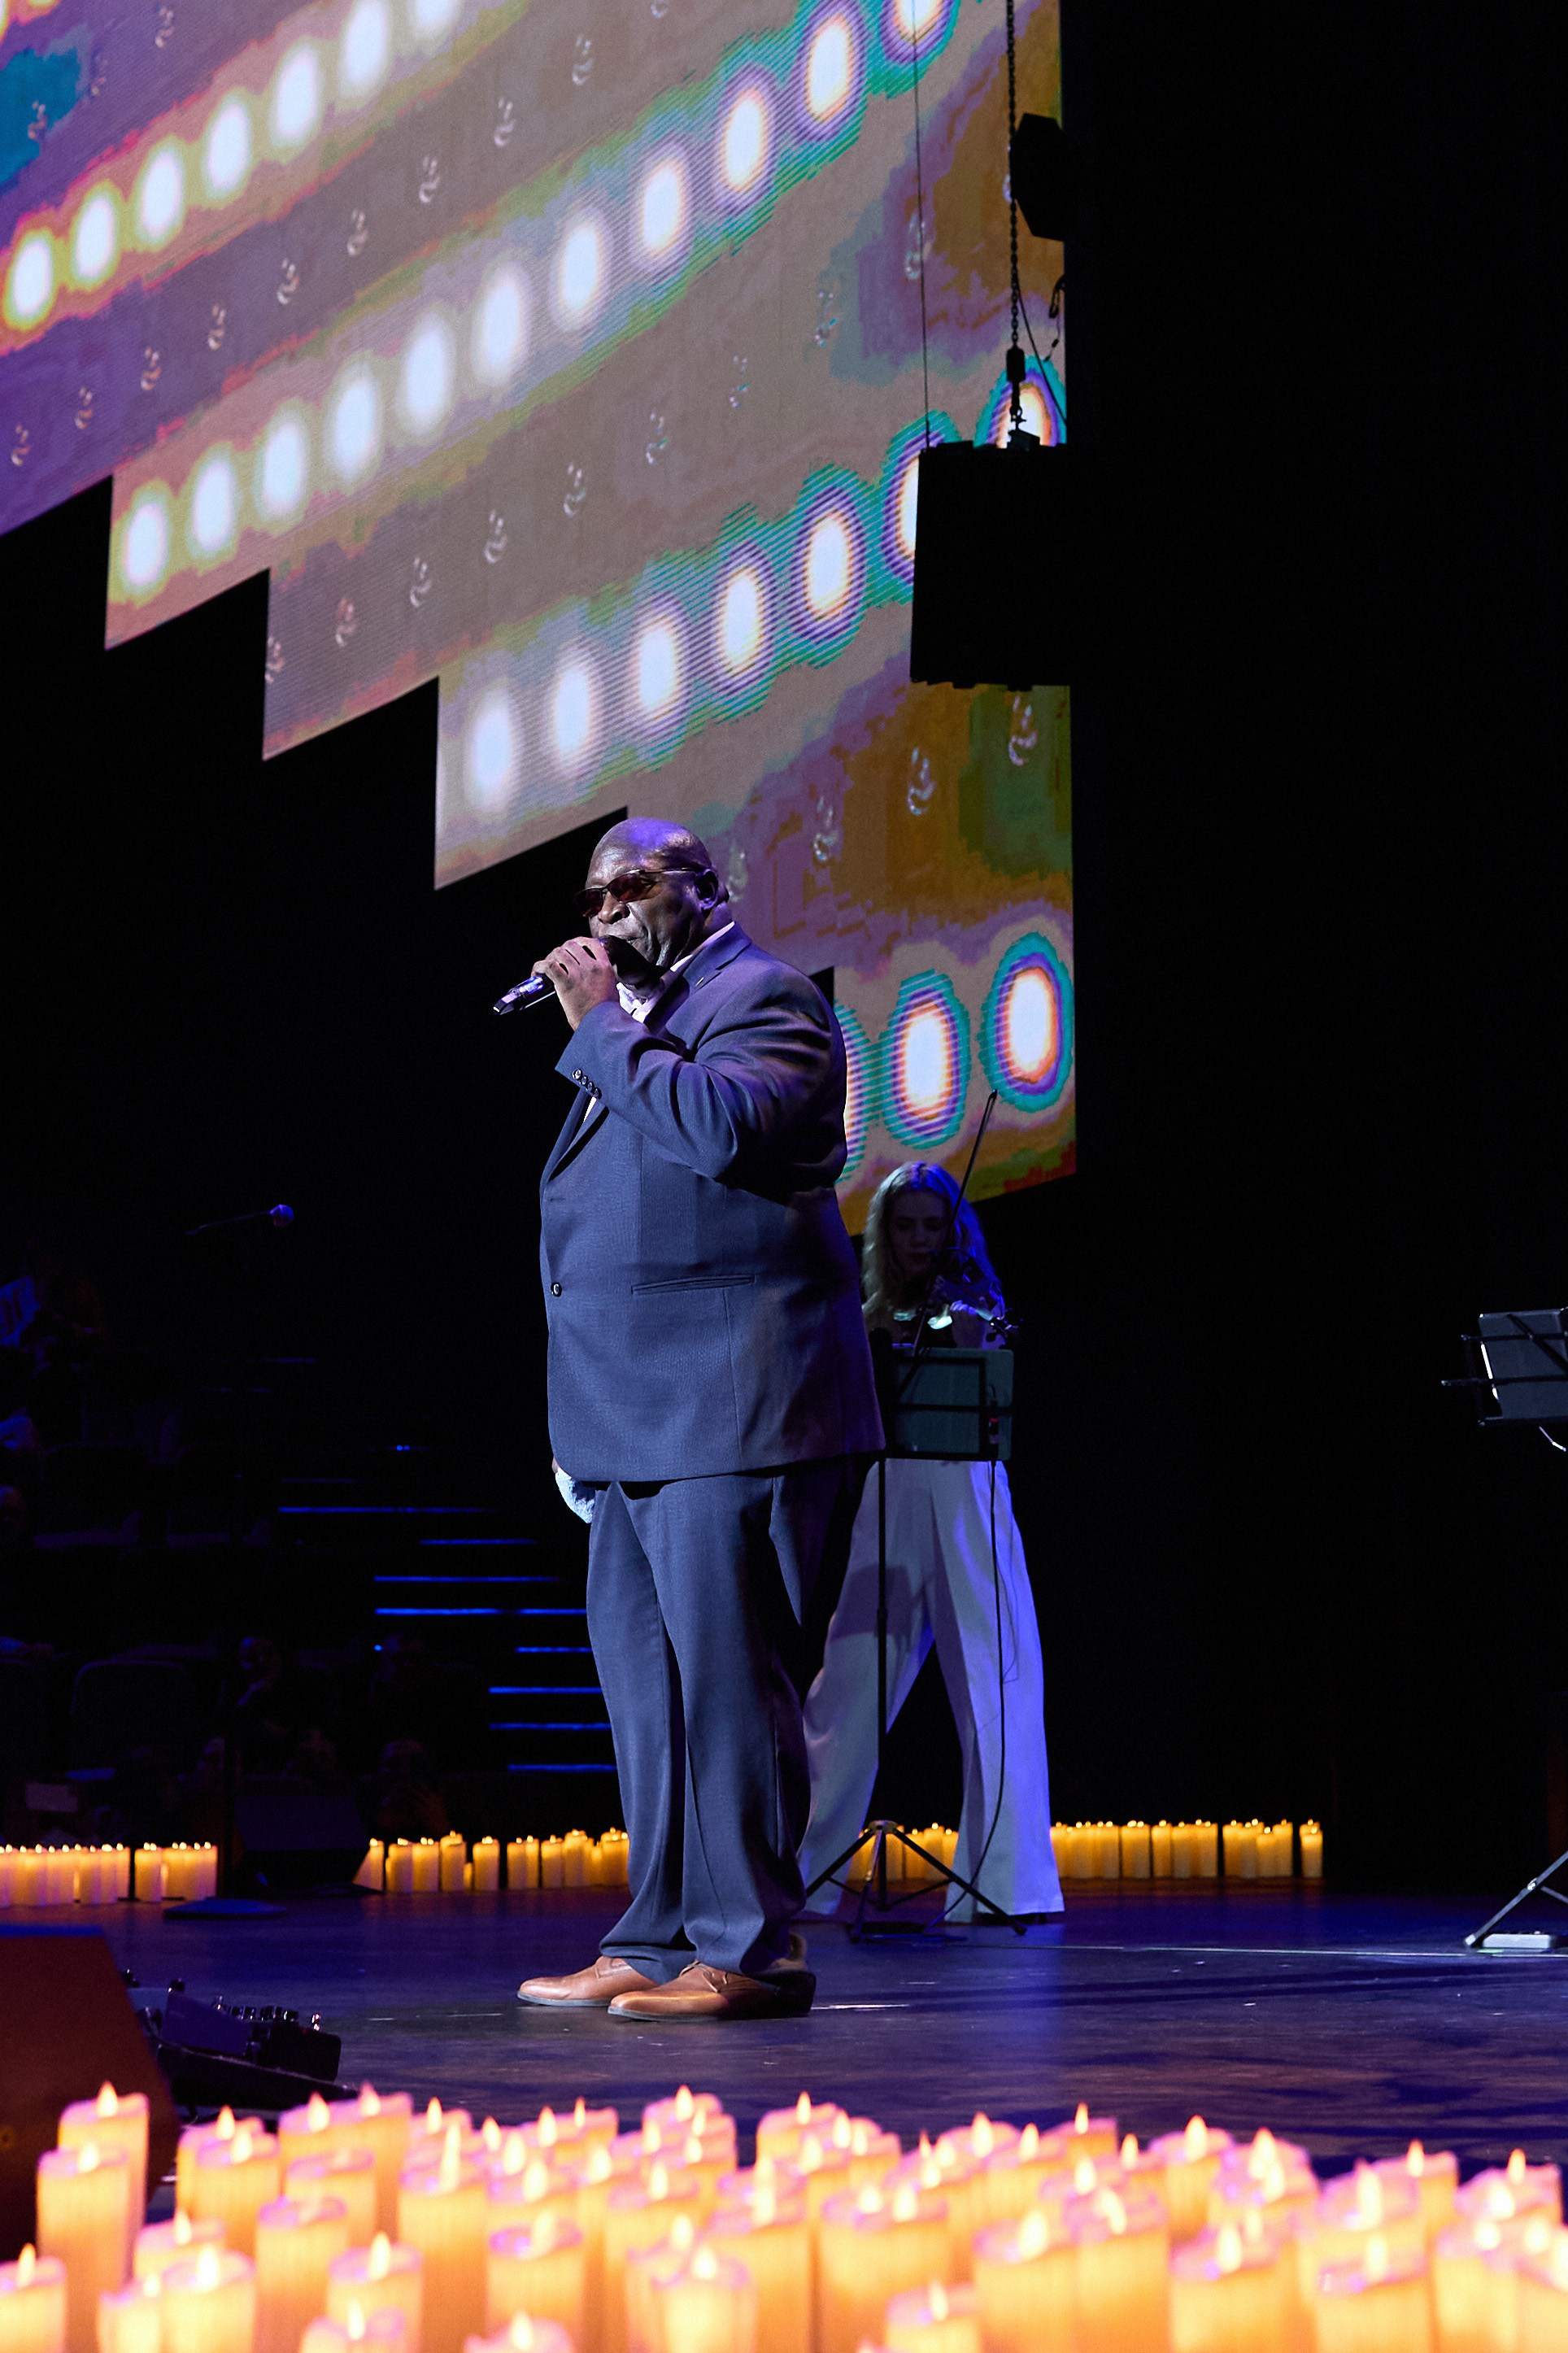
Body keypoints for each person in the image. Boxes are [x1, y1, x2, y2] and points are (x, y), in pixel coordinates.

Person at [515, 817, 882, 2022]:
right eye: (595, 891)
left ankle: (754, 1950)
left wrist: (602, 1027)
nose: (610, 908)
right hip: (632, 1417)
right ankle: (657, 1931)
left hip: (742, 1406)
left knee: (731, 1687)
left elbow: (721, 1130)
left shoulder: (767, 998)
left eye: (637, 884)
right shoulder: (646, 1026)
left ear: (707, 886)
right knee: (646, 1693)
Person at [795, 1161, 1063, 1921]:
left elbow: (990, 1368)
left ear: (953, 1231)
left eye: (932, 1225)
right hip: (892, 1488)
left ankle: (1006, 1881)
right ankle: (811, 1872)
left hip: (967, 1486)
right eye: (905, 1226)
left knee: (993, 1673)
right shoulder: (869, 1310)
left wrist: (961, 1326)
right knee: (850, 1677)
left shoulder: (973, 1301)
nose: (919, 1240)